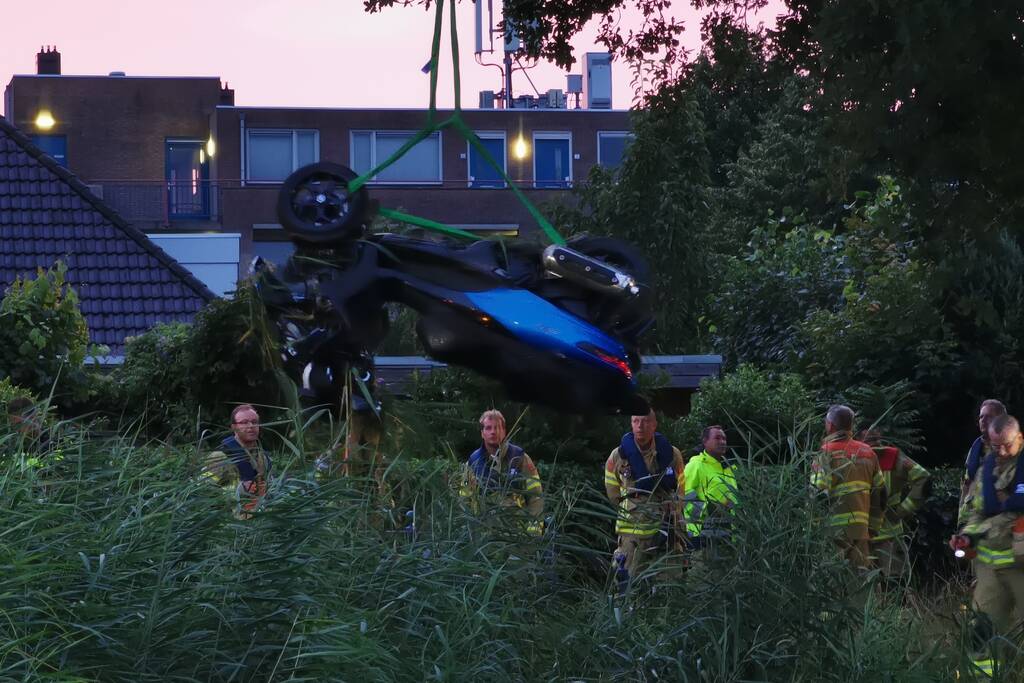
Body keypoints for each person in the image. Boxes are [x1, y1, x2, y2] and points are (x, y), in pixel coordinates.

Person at [951, 414, 1024, 676]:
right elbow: (977, 513)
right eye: (996, 447)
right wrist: (967, 536)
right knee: (980, 632)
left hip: (1021, 566)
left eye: (1007, 445)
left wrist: (987, 525)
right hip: (990, 567)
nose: (1002, 452)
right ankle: (984, 678)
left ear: (1020, 438)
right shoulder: (986, 470)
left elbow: (1012, 515)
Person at [604, 408, 686, 585]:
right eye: (636, 421)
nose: (640, 426)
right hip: (631, 536)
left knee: (668, 588)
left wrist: (676, 508)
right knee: (628, 586)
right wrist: (630, 509)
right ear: (631, 424)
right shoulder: (618, 456)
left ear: (654, 425)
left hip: (666, 531)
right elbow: (612, 492)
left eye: (646, 421)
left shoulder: (672, 454)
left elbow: (681, 488)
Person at [811, 405, 886, 589]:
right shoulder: (868, 453)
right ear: (851, 425)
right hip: (861, 532)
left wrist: (814, 529)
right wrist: (873, 528)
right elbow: (881, 494)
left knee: (831, 587)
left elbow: (818, 495)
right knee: (860, 587)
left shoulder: (826, 452)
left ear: (830, 426)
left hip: (833, 534)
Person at [860, 429, 930, 580]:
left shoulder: (850, 457)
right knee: (896, 586)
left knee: (864, 590)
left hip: (861, 537)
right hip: (890, 535)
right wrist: (902, 510)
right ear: (880, 437)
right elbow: (923, 478)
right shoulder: (893, 456)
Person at [460, 409, 543, 534]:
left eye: (497, 427)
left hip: (516, 534)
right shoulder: (473, 461)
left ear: (504, 431)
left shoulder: (520, 458)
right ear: (482, 433)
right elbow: (464, 498)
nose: (493, 432)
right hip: (484, 535)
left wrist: (533, 532)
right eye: (488, 428)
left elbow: (536, 497)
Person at [203, 404, 272, 519]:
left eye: (254, 422)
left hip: (264, 521)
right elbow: (202, 490)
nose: (251, 426)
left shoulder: (263, 456)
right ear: (234, 427)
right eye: (244, 422)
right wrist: (237, 491)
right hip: (234, 526)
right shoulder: (220, 457)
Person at [682, 425, 737, 556]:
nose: (722, 441)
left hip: (728, 535)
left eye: (724, 438)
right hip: (702, 536)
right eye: (717, 438)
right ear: (705, 441)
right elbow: (683, 499)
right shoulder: (695, 465)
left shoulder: (729, 468)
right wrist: (712, 508)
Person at [960, 399, 1007, 525]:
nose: (983, 420)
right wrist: (961, 524)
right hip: (972, 526)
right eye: (981, 417)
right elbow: (966, 487)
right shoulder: (975, 449)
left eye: (989, 417)